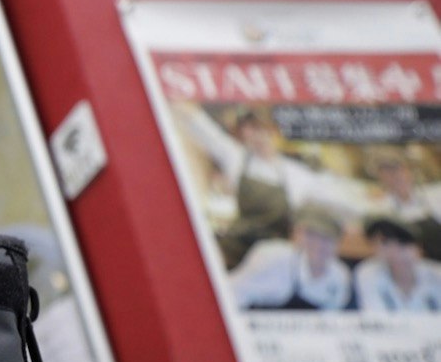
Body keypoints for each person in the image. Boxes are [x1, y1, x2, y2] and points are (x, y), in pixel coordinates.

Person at [179, 104, 360, 270]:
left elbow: (340, 198)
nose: (256, 136)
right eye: (248, 130)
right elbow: (201, 127)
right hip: (233, 251)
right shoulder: (237, 158)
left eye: (260, 129)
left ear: (273, 132)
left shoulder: (295, 174)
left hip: (273, 260)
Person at [228, 208, 355, 311]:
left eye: (326, 238)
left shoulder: (340, 276)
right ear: (297, 234)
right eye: (311, 235)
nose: (318, 245)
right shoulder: (271, 257)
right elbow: (232, 296)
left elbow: (332, 319)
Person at [363, 149, 441, 262]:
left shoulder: (434, 194)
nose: (394, 176)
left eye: (398, 169)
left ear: (409, 171)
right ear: (380, 179)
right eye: (386, 172)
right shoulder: (380, 209)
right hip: (413, 265)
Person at [355, 217, 441, 312]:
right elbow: (376, 319)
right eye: (385, 243)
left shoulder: (437, 276)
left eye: (403, 243)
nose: (393, 252)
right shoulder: (369, 274)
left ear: (421, 248)